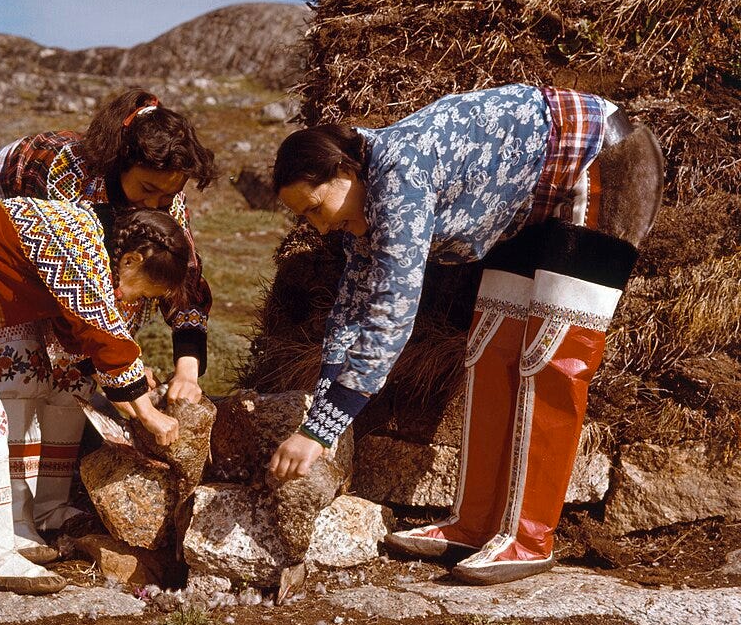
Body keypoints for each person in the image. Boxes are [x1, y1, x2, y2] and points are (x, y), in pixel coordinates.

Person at [267, 83, 664, 584]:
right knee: (490, 348)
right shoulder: (365, 203)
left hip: (601, 160)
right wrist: (318, 411)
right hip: (530, 198)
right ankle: (474, 524)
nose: (319, 228)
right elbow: (352, 310)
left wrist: (318, 433)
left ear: (343, 172)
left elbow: (391, 313)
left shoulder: (397, 176)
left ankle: (529, 539)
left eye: (315, 209)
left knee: (553, 354)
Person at [0, 203, 190, 595]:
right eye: (140, 289)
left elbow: (75, 333)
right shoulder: (83, 245)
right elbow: (102, 329)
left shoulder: (89, 235)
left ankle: (0, 545)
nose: (128, 298)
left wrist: (128, 400)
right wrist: (150, 416)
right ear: (130, 260)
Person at [0, 88, 215, 534]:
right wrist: (124, 372)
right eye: (147, 189)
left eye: (168, 196)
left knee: (73, 380)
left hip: (69, 273)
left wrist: (187, 369)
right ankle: (13, 518)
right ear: (120, 161)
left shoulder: (164, 192)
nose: (156, 204)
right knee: (22, 375)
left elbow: (179, 276)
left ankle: (50, 509)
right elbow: (76, 296)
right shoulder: (60, 171)